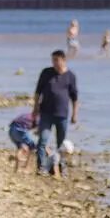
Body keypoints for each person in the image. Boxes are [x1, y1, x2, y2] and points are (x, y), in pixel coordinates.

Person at [32, 49, 79, 177]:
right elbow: (38, 92)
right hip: (46, 113)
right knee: (42, 141)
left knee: (61, 144)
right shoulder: (46, 73)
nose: (54, 63)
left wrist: (75, 114)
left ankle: (60, 167)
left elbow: (74, 97)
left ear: (63, 60)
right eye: (53, 60)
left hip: (62, 115)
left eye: (56, 60)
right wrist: (35, 108)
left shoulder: (70, 76)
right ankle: (41, 167)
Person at [8, 108, 40, 173]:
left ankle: (16, 169)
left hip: (11, 130)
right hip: (20, 130)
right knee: (32, 147)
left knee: (21, 147)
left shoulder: (27, 115)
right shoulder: (39, 118)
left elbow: (13, 122)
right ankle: (26, 167)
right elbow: (38, 133)